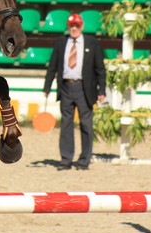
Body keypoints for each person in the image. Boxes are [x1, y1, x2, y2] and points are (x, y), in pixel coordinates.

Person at [43, 13, 106, 171]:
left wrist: (102, 89)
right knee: (66, 124)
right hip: (65, 87)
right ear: (68, 27)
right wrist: (47, 87)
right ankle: (66, 159)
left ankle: (84, 160)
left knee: (86, 124)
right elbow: (52, 66)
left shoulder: (92, 42)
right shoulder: (61, 42)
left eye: (77, 25)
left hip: (84, 88)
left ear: (82, 26)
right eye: (72, 26)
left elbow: (100, 68)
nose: (74, 28)